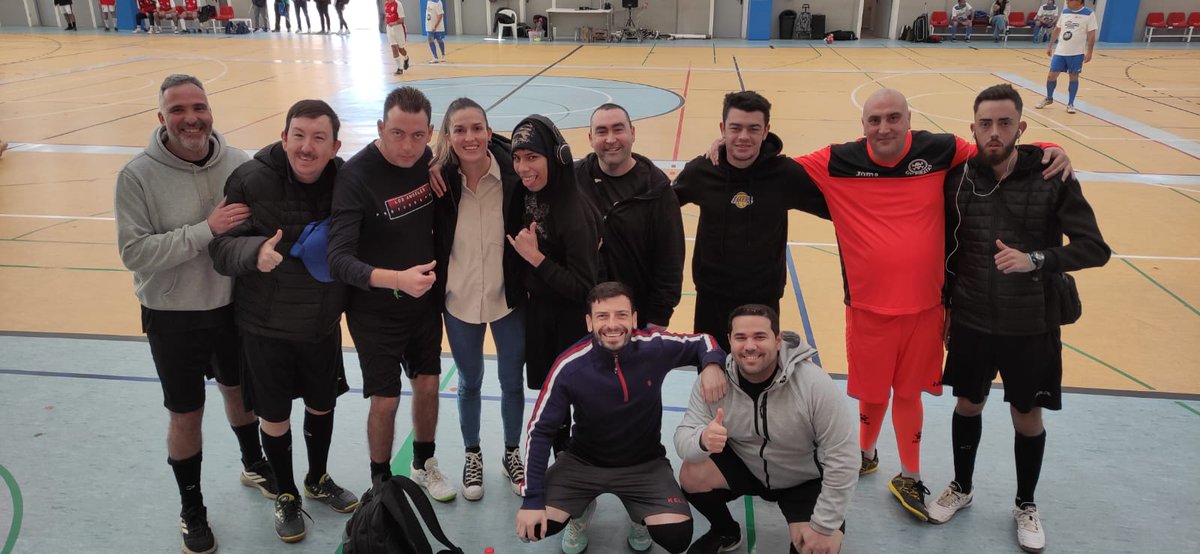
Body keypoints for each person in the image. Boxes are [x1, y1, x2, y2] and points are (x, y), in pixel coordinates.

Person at [706, 88, 1073, 523]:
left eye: (894, 118)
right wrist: (726, 146)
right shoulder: (837, 160)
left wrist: (1051, 148)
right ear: (862, 125)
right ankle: (864, 452)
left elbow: (997, 149)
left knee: (908, 393)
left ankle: (911, 474)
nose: (885, 127)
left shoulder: (939, 150)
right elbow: (774, 164)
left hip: (926, 308)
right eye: (875, 120)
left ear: (909, 119)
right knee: (872, 391)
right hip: (866, 307)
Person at [929, 84, 1110, 553]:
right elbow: (949, 251)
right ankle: (962, 488)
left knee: (1026, 416)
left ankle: (1025, 504)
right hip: (971, 319)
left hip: (1031, 324)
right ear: (972, 129)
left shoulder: (1053, 175)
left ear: (1021, 127)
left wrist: (1038, 259)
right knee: (967, 404)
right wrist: (947, 306)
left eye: (1004, 123)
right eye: (985, 124)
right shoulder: (958, 179)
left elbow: (1095, 249)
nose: (994, 132)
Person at [114, 74, 273, 554]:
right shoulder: (136, 175)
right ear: (162, 118)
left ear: (210, 111)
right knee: (186, 414)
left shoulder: (238, 162)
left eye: (198, 107)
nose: (191, 118)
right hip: (172, 314)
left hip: (230, 307)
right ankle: (192, 508)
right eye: (178, 110)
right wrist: (205, 230)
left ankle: (252, 463)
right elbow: (135, 253)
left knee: (239, 392)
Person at [209, 99, 360, 543]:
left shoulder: (346, 183)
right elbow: (220, 249)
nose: (306, 147)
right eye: (298, 135)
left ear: (334, 145)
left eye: (318, 138)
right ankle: (287, 493)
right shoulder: (251, 180)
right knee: (273, 417)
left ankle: (316, 477)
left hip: (321, 323)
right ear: (283, 137)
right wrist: (253, 253)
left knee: (322, 404)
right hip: (265, 326)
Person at [516, 282, 728, 554]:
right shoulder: (569, 366)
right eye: (602, 316)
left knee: (677, 537)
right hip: (583, 462)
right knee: (533, 527)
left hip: (644, 463)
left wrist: (711, 363)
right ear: (589, 322)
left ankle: (640, 515)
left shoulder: (655, 347)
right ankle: (579, 510)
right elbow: (540, 431)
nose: (612, 324)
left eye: (621, 315)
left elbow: (704, 340)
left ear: (635, 319)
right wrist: (531, 499)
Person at [327, 86, 457, 501]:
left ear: (430, 133)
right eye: (397, 133)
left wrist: (435, 161)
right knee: (385, 400)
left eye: (418, 136)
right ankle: (381, 480)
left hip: (422, 307)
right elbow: (339, 260)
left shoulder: (428, 163)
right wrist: (396, 279)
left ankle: (424, 463)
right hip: (375, 311)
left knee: (429, 384)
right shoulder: (356, 176)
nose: (407, 145)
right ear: (381, 126)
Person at [676, 304, 858, 554]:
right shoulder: (714, 380)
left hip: (801, 478)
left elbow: (844, 456)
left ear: (778, 339)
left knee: (817, 547)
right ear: (729, 340)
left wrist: (824, 525)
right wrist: (703, 440)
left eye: (760, 336)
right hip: (747, 465)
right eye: (740, 337)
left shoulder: (812, 383)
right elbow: (683, 437)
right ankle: (725, 531)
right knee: (691, 473)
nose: (750, 346)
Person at [674, 91, 830, 353]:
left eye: (753, 128)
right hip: (711, 300)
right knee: (713, 378)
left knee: (760, 378)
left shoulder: (785, 175)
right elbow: (660, 208)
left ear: (766, 130)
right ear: (723, 129)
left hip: (764, 301)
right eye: (735, 128)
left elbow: (839, 209)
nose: (744, 136)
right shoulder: (702, 171)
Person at [430, 98, 528, 501]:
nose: (469, 137)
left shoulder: (514, 177)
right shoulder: (436, 181)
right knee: (469, 382)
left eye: (476, 128)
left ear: (489, 132)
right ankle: (473, 453)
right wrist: (430, 164)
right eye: (459, 130)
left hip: (509, 300)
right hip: (459, 300)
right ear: (449, 137)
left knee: (511, 382)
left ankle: (511, 452)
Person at [506, 114, 600, 418]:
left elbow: (584, 288)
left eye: (532, 157)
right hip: (541, 317)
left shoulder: (574, 212)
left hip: (570, 326)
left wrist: (536, 259)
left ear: (558, 156)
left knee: (575, 402)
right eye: (517, 158)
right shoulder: (528, 193)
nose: (523, 168)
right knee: (552, 405)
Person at [574, 103, 684, 332]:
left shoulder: (657, 189)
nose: (611, 139)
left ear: (632, 133)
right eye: (601, 131)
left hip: (637, 320)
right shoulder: (573, 180)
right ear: (590, 137)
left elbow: (670, 260)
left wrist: (659, 318)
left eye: (618, 129)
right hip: (582, 318)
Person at [1035, 0, 1098, 115]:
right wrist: (1050, 46)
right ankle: (1049, 98)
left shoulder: (1089, 14)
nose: (1067, 2)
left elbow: (1091, 34)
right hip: (1060, 52)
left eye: (1070, 0)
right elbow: (1057, 29)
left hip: (1076, 53)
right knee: (1051, 76)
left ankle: (1070, 103)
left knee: (1073, 77)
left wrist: (1089, 52)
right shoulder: (1065, 12)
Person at [384, 0, 411, 75]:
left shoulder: (398, 4)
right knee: (393, 47)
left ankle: (406, 58)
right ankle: (400, 68)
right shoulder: (386, 4)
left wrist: (394, 23)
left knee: (400, 49)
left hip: (398, 29)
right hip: (389, 28)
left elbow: (402, 19)